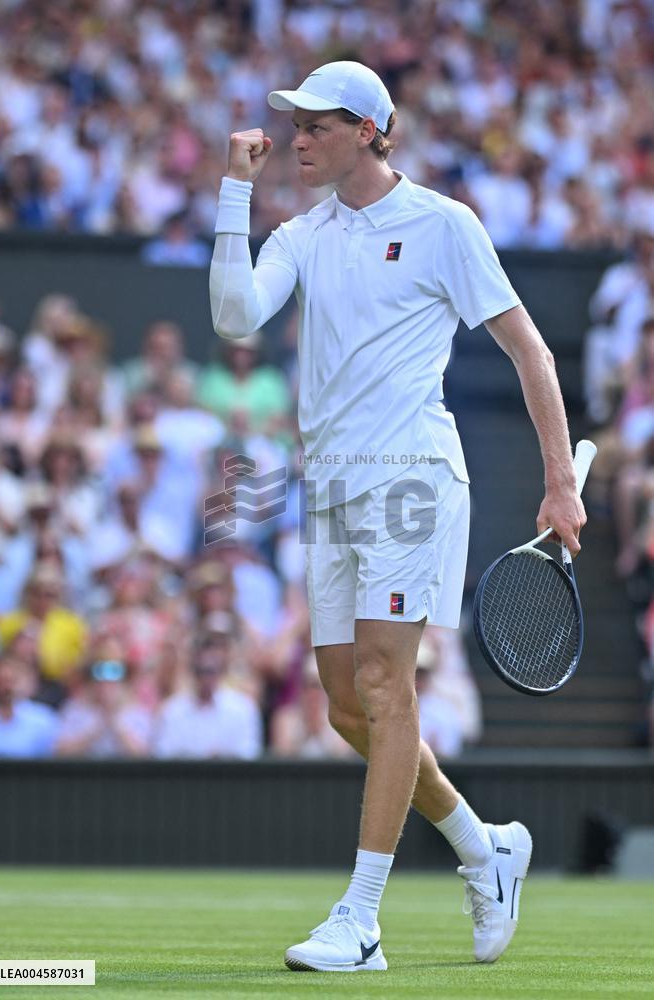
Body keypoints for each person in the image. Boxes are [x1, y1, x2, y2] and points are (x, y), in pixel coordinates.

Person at [209, 61, 586, 973]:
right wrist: (233, 192)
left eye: (318, 125)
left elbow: (530, 351)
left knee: (386, 689)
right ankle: (484, 847)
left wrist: (558, 480)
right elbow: (233, 315)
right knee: (347, 709)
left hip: (415, 478)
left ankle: (363, 919)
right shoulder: (301, 233)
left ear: (372, 130)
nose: (298, 139)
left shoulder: (444, 225)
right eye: (293, 125)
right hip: (330, 488)